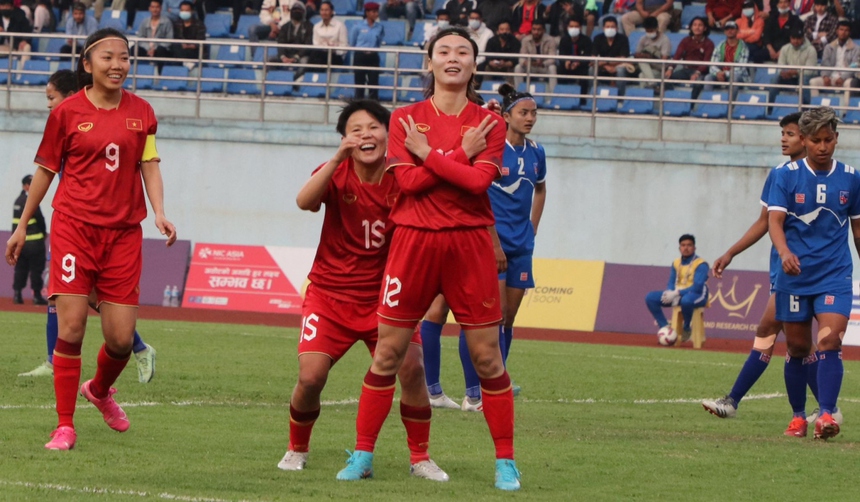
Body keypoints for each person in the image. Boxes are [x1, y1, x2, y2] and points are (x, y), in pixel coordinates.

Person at [336, 27, 520, 491]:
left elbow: (478, 184)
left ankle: (506, 462)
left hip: (469, 244)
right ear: (430, 62)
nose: (453, 58)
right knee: (388, 354)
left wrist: (429, 156)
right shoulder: (404, 119)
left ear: (474, 64)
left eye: (462, 52)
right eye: (443, 51)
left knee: (487, 359)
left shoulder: (490, 123)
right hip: (414, 242)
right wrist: (459, 154)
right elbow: (410, 184)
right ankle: (363, 455)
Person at [5, 28, 177, 451]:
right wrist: (21, 225)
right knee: (72, 327)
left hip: (123, 235)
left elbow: (149, 163)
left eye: (124, 57)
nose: (117, 65)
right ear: (87, 64)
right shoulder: (66, 113)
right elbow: (46, 171)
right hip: (74, 230)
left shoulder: (143, 112)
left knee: (120, 340)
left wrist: (159, 211)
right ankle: (65, 426)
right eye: (108, 57)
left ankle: (98, 391)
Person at [278, 100, 447, 481]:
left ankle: (420, 457)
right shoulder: (335, 172)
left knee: (413, 369)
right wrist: (337, 158)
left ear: (388, 134)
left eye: (373, 127)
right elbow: (304, 202)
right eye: (355, 130)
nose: (365, 135)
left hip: (388, 298)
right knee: (310, 378)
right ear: (344, 138)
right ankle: (297, 447)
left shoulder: (403, 175)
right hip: (329, 296)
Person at [701, 112, 842, 435]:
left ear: (803, 138)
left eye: (789, 134)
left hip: (811, 274)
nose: (784, 139)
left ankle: (736, 401)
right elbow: (766, 221)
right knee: (797, 343)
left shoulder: (825, 177)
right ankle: (824, 410)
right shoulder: (780, 174)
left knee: (780, 335)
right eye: (783, 134)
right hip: (785, 270)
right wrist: (731, 252)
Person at [767, 107, 860, 440]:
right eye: (816, 140)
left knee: (830, 340)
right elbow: (774, 222)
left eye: (829, 140)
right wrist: (784, 253)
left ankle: (826, 415)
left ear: (836, 138)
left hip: (834, 273)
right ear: (804, 140)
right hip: (795, 275)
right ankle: (798, 417)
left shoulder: (851, 177)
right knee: (797, 347)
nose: (823, 147)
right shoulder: (785, 175)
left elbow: (858, 230)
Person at [456, 83, 546, 410]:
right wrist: (494, 242)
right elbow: (477, 194)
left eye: (534, 113)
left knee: (508, 319)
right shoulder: (493, 150)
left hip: (522, 245)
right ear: (506, 116)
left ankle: (496, 385)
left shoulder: (537, 151)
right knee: (486, 319)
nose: (530, 118)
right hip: (491, 244)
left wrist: (532, 228)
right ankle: (473, 393)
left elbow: (540, 189)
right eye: (523, 112)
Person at [644, 234, 709, 343]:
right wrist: (670, 292)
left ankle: (686, 328)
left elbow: (697, 287)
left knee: (686, 301)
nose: (686, 248)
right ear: (679, 248)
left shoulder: (701, 264)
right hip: (679, 293)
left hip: (698, 295)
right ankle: (665, 328)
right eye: (683, 245)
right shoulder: (676, 262)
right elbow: (671, 281)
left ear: (694, 248)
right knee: (650, 298)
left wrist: (677, 293)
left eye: (689, 245)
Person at [12, 174, 47, 306]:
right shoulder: (31, 201)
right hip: (35, 243)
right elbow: (40, 220)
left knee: (20, 269)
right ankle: (37, 296)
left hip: (21, 244)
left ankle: (17, 295)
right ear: (26, 186)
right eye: (31, 184)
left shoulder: (17, 201)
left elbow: (14, 224)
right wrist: (43, 233)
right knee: (36, 270)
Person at [810, 21, 858, 104]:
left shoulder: (856, 49)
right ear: (837, 31)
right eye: (841, 29)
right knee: (813, 82)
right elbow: (825, 63)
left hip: (846, 78)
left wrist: (842, 78)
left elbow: (854, 66)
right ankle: (816, 108)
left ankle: (845, 110)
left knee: (850, 83)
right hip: (831, 77)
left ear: (849, 33)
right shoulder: (829, 47)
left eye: (846, 30)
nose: (843, 32)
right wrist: (825, 76)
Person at [664, 17, 714, 98]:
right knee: (665, 79)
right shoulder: (685, 40)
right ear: (691, 27)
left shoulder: (709, 43)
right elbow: (677, 56)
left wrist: (697, 73)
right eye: (695, 25)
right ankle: (675, 100)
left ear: (705, 28)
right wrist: (670, 68)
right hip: (686, 70)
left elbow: (706, 61)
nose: (697, 27)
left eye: (700, 25)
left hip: (701, 72)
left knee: (698, 83)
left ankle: (691, 104)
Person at [703, 20, 750, 95]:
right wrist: (718, 72)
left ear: (737, 31)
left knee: (734, 78)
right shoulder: (720, 46)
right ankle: (708, 101)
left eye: (732, 28)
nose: (729, 31)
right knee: (708, 78)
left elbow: (741, 68)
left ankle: (731, 102)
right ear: (724, 31)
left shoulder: (743, 47)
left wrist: (725, 73)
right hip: (721, 75)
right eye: (727, 29)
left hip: (738, 76)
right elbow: (712, 64)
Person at [349, 2, 384, 100]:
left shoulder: (379, 27)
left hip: (373, 56)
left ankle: (373, 104)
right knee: (359, 83)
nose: (376, 14)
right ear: (367, 13)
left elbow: (379, 42)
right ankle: (358, 103)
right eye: (373, 12)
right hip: (360, 56)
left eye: (376, 11)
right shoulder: (357, 26)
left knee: (373, 82)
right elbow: (352, 42)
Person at [271, 1, 313, 76]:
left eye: (299, 10)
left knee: (305, 62)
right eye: (294, 10)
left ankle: (295, 80)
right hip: (286, 55)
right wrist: (283, 57)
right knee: (269, 60)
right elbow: (280, 43)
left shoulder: (310, 27)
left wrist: (296, 57)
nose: (296, 12)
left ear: (303, 12)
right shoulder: (285, 27)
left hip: (301, 56)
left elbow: (308, 45)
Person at [591, 16, 631, 95]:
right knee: (591, 70)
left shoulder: (623, 39)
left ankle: (620, 97)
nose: (610, 29)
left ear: (617, 28)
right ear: (603, 28)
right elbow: (593, 58)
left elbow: (623, 58)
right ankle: (593, 94)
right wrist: (606, 66)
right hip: (603, 66)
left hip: (618, 65)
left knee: (620, 71)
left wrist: (606, 62)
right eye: (607, 27)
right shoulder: (597, 38)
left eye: (612, 27)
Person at [514, 21, 557, 91]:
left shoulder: (551, 40)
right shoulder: (525, 40)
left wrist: (543, 63)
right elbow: (521, 58)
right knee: (518, 67)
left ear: (544, 30)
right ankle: (519, 93)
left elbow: (553, 58)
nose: (536, 32)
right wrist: (526, 63)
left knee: (552, 68)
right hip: (530, 66)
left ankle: (553, 94)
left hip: (544, 66)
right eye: (534, 29)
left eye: (539, 30)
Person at [632, 16, 671, 88]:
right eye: (647, 31)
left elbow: (664, 60)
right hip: (648, 68)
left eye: (651, 31)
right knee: (641, 75)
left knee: (642, 61)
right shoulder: (643, 38)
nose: (649, 33)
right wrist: (645, 56)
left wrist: (650, 58)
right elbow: (636, 54)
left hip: (659, 67)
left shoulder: (665, 40)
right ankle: (651, 85)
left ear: (657, 28)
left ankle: (652, 83)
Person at [136, 0, 174, 71]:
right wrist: (148, 48)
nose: (155, 9)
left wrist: (155, 48)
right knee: (134, 49)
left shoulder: (167, 22)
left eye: (157, 7)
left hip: (160, 50)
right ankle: (133, 72)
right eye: (153, 7)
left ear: (161, 8)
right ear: (149, 8)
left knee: (161, 50)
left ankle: (160, 73)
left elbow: (169, 40)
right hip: (147, 49)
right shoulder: (145, 21)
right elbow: (140, 38)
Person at [558, 15, 592, 91]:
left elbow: (587, 56)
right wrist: (566, 62)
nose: (573, 28)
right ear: (567, 27)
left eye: (576, 26)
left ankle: (583, 96)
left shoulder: (586, 40)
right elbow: (561, 54)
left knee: (585, 73)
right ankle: (561, 93)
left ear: (580, 28)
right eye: (571, 26)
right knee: (560, 70)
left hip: (581, 66)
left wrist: (578, 63)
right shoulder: (564, 40)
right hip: (568, 66)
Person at [309, 1, 347, 66]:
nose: (324, 13)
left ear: (331, 11)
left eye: (326, 10)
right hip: (320, 54)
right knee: (315, 55)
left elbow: (344, 46)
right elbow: (316, 44)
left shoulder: (340, 26)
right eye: (322, 10)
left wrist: (334, 50)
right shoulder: (316, 26)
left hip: (335, 56)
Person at [0, 0, 33, 65]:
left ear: (12, 6)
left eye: (7, 6)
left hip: (16, 46)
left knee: (27, 47)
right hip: (3, 46)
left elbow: (28, 31)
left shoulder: (20, 16)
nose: (5, 8)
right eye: (2, 6)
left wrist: (25, 40)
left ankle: (22, 69)